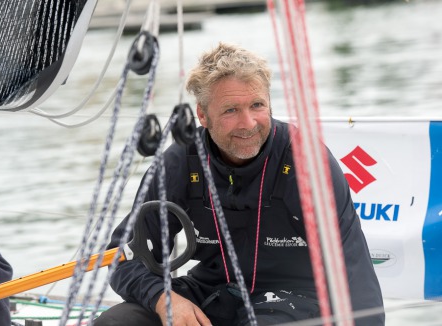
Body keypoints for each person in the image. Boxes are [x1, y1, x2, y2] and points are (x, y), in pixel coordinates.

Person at [94, 42, 385, 326]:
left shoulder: (305, 162)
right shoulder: (180, 161)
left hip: (296, 299)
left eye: (257, 105)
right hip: (212, 292)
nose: (248, 123)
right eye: (231, 110)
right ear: (203, 115)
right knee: (116, 321)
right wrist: (163, 298)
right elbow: (122, 257)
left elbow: (355, 275)